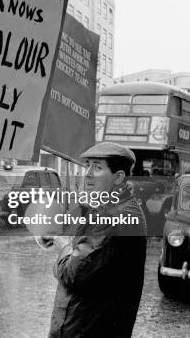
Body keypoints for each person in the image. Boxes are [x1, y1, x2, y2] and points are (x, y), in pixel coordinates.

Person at [46, 142, 147, 338]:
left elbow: (72, 274)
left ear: (118, 177)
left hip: (87, 329)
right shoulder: (117, 206)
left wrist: (63, 245)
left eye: (97, 167)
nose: (88, 173)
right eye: (87, 165)